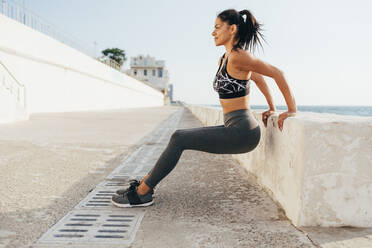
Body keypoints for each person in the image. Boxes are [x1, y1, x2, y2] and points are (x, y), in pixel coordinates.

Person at [111, 8, 297, 208]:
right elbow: (258, 78)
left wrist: (290, 110)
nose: (213, 32)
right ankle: (143, 186)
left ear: (232, 29)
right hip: (233, 127)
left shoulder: (239, 56)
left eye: (217, 27)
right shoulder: (224, 59)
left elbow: (278, 73)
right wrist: (271, 107)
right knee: (179, 137)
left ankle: (142, 192)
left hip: (243, 132)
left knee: (178, 138)